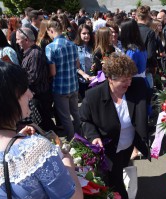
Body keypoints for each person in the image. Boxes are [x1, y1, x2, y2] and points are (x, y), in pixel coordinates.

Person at [0, 62, 83, 199]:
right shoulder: (36, 149)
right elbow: (74, 197)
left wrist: (17, 139)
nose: (30, 94)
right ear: (9, 99)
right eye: (24, 89)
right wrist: (68, 161)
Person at [79, 53, 150, 199]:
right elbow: (84, 119)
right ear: (110, 79)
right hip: (109, 148)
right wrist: (94, 136)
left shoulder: (138, 86)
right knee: (115, 183)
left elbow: (150, 103)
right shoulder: (94, 96)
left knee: (122, 170)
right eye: (123, 80)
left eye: (130, 78)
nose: (128, 83)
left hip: (128, 145)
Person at [45, 16, 81, 140]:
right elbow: (77, 65)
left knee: (65, 117)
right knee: (76, 114)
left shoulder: (50, 47)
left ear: (51, 30)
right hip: (73, 85)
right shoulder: (72, 44)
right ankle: (81, 136)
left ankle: (73, 141)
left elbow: (53, 72)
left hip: (60, 88)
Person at [74, 24, 94, 99]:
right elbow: (75, 67)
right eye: (84, 33)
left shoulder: (93, 46)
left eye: (88, 33)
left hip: (93, 79)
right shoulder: (75, 47)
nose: (87, 35)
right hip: (81, 80)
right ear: (79, 34)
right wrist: (84, 74)